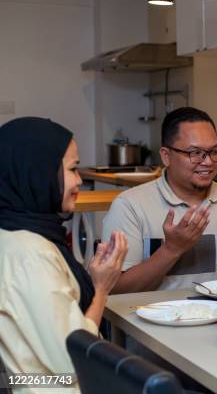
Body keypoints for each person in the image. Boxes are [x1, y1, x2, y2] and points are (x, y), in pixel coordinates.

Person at [0, 117, 127, 390]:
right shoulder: (30, 252)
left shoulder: (12, 234)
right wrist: (101, 289)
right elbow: (73, 360)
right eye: (73, 169)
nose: (79, 180)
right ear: (38, 172)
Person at [103, 107, 217, 293]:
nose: (207, 162)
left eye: (214, 151)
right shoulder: (130, 206)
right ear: (166, 156)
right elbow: (116, 289)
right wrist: (171, 249)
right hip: (155, 320)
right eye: (195, 153)